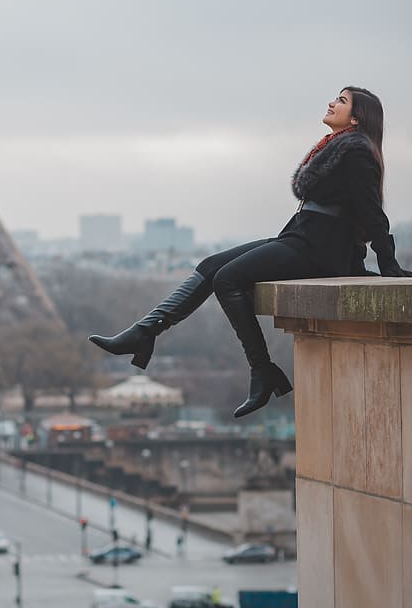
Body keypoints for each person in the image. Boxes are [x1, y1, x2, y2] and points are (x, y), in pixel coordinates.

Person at [89, 87, 410, 418]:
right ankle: (145, 331)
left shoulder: (355, 150)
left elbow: (372, 212)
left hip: (320, 248)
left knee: (227, 278)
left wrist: (389, 263)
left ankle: (262, 369)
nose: (331, 102)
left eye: (341, 101)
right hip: (303, 236)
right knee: (210, 265)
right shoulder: (339, 148)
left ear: (356, 118)